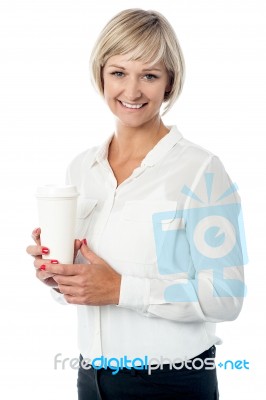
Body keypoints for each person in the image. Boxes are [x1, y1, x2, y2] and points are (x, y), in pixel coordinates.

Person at [26, 8, 247, 400]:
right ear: (101, 76)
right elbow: (87, 284)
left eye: (149, 75)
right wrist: (60, 276)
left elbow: (226, 296)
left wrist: (122, 289)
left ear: (169, 83)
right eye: (118, 73)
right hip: (90, 379)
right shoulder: (82, 168)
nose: (131, 91)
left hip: (171, 382)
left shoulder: (201, 171)